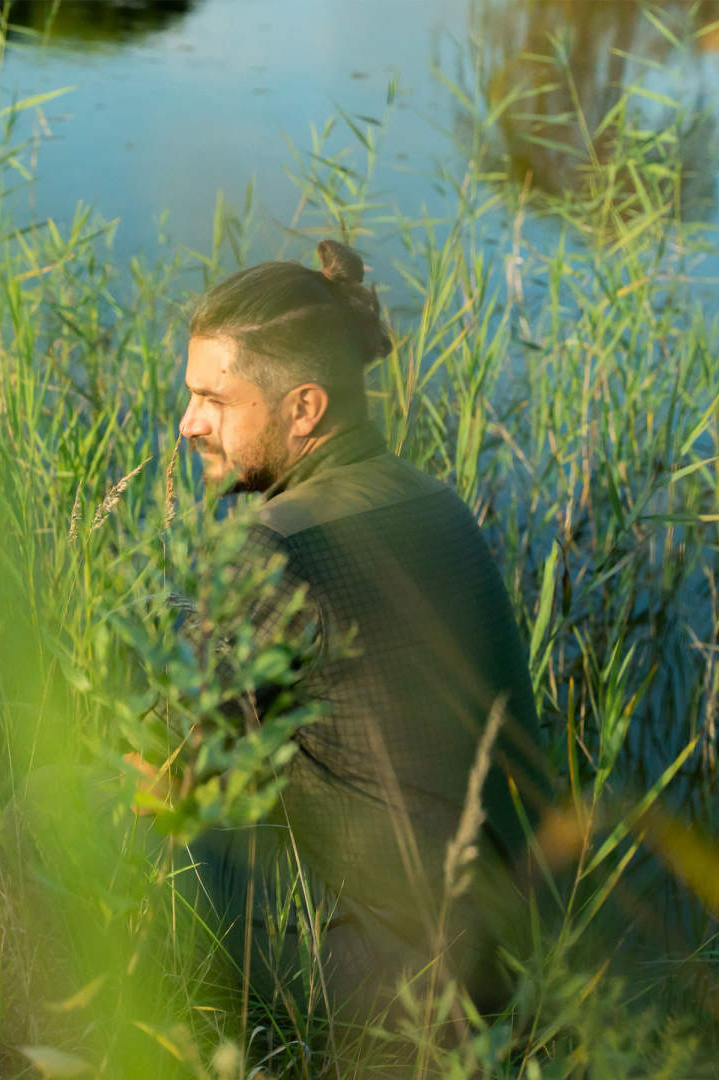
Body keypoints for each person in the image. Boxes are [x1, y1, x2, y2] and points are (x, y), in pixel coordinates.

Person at [171, 240, 549, 1022]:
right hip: (505, 950)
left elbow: (182, 767)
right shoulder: (436, 502)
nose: (187, 424)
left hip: (386, 982)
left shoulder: (271, 544)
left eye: (213, 398)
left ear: (304, 407)